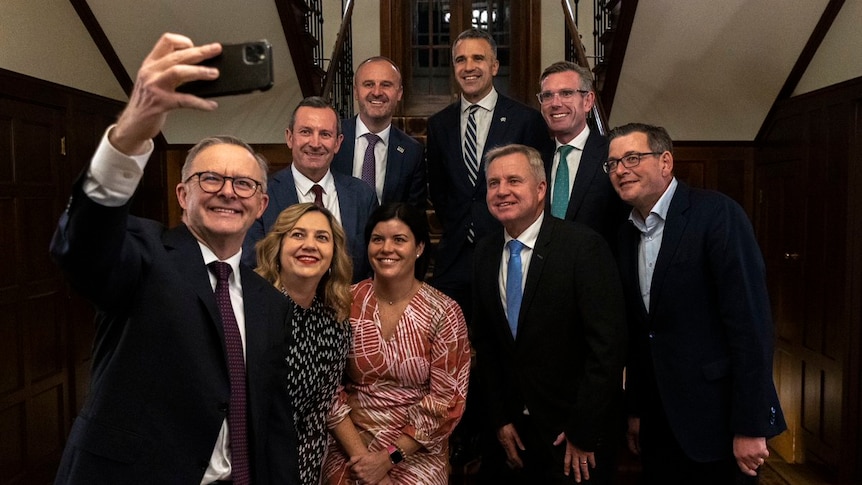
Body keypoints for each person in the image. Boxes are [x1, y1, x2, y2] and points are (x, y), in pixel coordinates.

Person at [49, 33, 298, 484]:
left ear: (262, 205)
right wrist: (130, 132)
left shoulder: (269, 302)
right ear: (183, 195)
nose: (227, 191)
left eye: (244, 184)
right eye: (210, 179)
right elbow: (82, 248)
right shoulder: (143, 257)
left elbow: (273, 422)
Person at [606, 123, 786, 484]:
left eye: (632, 158)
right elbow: (644, 335)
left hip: (719, 424)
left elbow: (751, 325)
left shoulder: (716, 214)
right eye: (611, 164)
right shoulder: (625, 236)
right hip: (659, 428)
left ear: (665, 162)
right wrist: (637, 410)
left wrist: (751, 425)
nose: (620, 170)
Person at [472, 144, 627, 484]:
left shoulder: (582, 248)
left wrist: (583, 431)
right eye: (494, 183)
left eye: (514, 180)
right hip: (512, 435)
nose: (502, 191)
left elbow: (607, 349)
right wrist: (500, 419)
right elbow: (486, 344)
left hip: (572, 437)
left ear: (541, 189)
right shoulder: (484, 253)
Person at [321, 202, 471, 485]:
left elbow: (447, 402)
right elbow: (327, 389)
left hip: (417, 447)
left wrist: (387, 459)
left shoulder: (443, 312)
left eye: (399, 239)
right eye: (378, 239)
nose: (386, 248)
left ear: (419, 248)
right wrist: (364, 461)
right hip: (351, 441)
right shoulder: (343, 303)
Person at [426, 28, 554, 319]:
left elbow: (538, 187)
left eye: (478, 58)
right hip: (454, 256)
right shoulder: (438, 125)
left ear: (494, 66)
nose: (468, 67)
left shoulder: (526, 120)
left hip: (509, 249)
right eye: (460, 60)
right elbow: (440, 190)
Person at [254, 203, 353, 485]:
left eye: (322, 238)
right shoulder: (252, 307)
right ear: (278, 246)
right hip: (251, 464)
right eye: (298, 235)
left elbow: (319, 414)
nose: (309, 245)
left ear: (333, 254)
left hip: (305, 470)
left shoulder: (336, 322)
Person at [244, 96, 379, 282]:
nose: (315, 144)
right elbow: (252, 265)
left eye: (325, 134)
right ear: (290, 137)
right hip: (282, 307)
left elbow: (370, 267)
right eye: (306, 132)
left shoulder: (362, 196)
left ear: (338, 143)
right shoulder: (261, 194)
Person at [538, 61, 627, 243]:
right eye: (547, 96)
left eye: (566, 93)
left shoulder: (613, 154)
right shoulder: (536, 157)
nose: (555, 103)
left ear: (587, 101)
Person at [331, 56, 426, 207]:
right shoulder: (331, 138)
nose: (376, 92)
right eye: (368, 84)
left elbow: (413, 216)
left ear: (399, 93)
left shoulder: (412, 153)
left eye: (386, 85)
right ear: (356, 92)